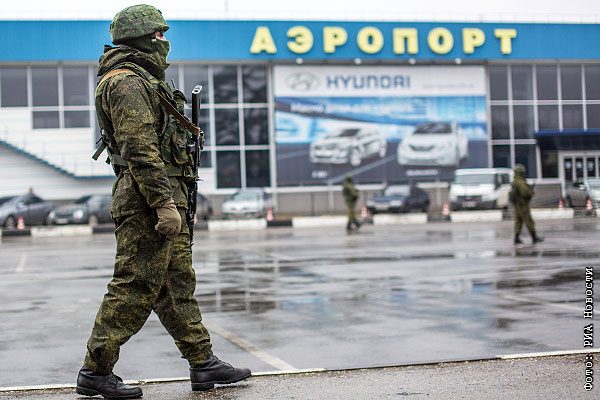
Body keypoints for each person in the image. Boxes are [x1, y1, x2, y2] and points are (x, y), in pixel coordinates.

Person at [76, 5, 250, 399]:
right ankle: (95, 371)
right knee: (134, 285)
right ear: (139, 36)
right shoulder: (125, 82)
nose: (163, 41)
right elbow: (140, 149)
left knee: (176, 285)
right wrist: (163, 204)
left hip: (166, 194)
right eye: (158, 34)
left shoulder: (146, 80)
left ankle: (203, 363)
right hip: (147, 201)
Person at [510, 164, 543, 244]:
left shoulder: (515, 181)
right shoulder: (520, 182)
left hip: (517, 204)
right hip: (523, 204)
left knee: (518, 221)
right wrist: (530, 191)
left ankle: (516, 237)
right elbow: (525, 193)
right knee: (528, 220)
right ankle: (534, 237)